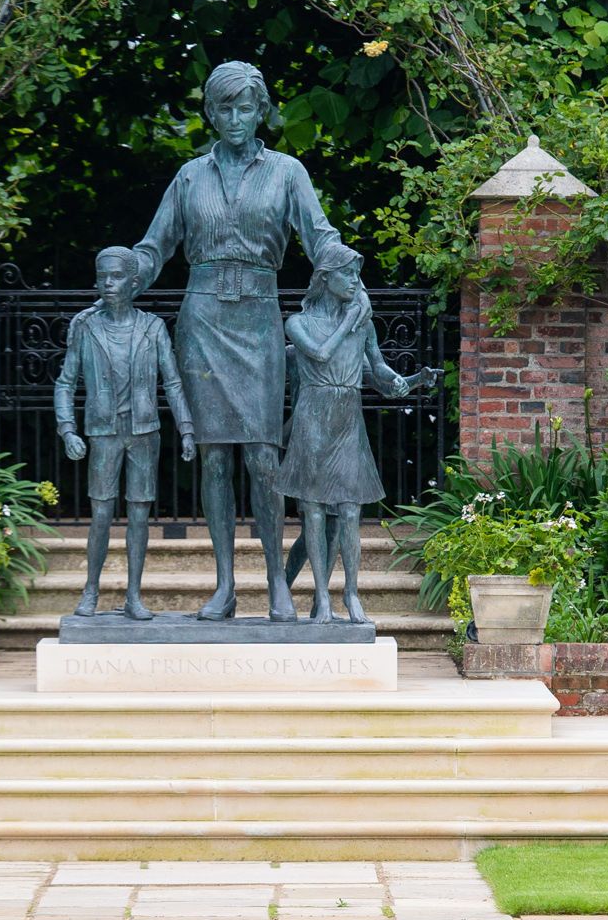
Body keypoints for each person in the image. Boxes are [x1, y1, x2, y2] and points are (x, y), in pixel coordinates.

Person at [130, 60, 346, 622]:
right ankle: (225, 586)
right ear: (210, 112)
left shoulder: (287, 172)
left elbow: (319, 235)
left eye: (245, 107)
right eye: (223, 107)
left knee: (262, 456)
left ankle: (276, 580)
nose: (234, 118)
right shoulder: (189, 176)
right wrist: (128, 270)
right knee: (214, 459)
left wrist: (344, 272)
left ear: (261, 110)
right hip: (201, 320)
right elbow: (155, 246)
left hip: (258, 318)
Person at [279, 244, 429, 624]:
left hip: (347, 418)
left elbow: (379, 373)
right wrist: (350, 321)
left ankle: (351, 593)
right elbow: (320, 354)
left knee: (350, 512)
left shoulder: (362, 325)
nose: (355, 282)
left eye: (357, 274)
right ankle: (321, 598)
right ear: (325, 278)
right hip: (312, 418)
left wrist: (411, 381)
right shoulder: (298, 324)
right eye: (347, 273)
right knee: (312, 512)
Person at [54, 246, 195, 620]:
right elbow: (65, 383)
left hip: (144, 432)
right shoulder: (86, 327)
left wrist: (186, 429)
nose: (107, 284)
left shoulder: (153, 327)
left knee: (138, 515)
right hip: (103, 432)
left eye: (116, 277)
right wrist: (68, 429)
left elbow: (174, 382)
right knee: (100, 514)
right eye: (102, 277)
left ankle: (134, 595)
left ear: (134, 283)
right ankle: (91, 590)